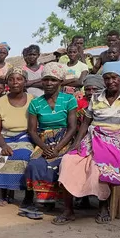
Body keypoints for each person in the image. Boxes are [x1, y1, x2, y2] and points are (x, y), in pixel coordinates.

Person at [55, 61, 120, 224]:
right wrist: (75, 145)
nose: (110, 81)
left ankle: (102, 206)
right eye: (107, 78)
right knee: (68, 161)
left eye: (114, 77)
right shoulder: (96, 97)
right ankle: (68, 209)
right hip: (92, 138)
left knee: (98, 165)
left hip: (114, 140)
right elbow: (85, 123)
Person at [21, 62, 78, 217]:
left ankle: (63, 203)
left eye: (53, 80)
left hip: (64, 139)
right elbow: (32, 130)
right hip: (43, 139)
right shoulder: (35, 103)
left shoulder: (69, 100)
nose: (49, 83)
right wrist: (44, 148)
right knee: (35, 164)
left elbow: (73, 127)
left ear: (60, 82)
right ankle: (45, 201)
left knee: (62, 163)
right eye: (46, 79)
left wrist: (58, 148)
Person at [0, 68, 33, 204]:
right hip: (5, 136)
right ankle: (3, 193)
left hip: (25, 136)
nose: (15, 82)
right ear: (7, 82)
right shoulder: (0, 102)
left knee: (25, 155)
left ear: (25, 81)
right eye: (11, 79)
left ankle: (28, 195)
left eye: (19, 79)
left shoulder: (32, 100)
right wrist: (3, 145)